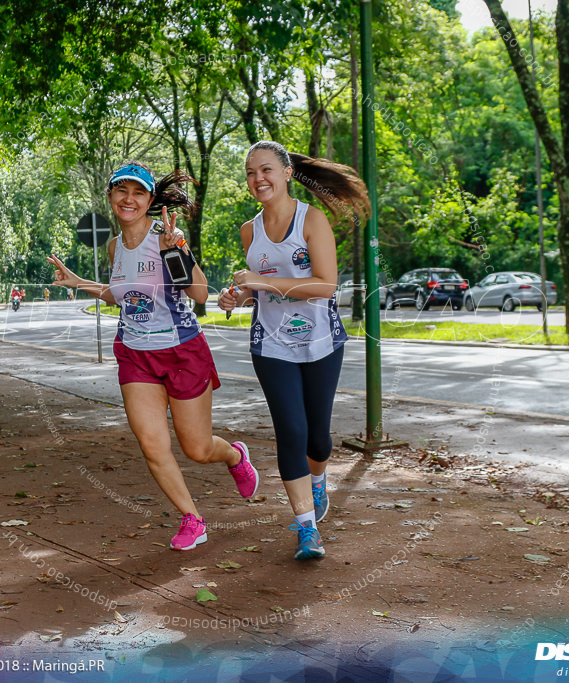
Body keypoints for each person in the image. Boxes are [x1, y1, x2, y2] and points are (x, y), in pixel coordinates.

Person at [47, 161, 258, 551]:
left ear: (148, 200)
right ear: (110, 196)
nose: (129, 199)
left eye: (138, 192)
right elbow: (121, 294)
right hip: (135, 354)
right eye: (121, 191)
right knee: (152, 444)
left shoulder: (165, 235)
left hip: (181, 351)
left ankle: (234, 456)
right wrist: (80, 284)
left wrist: (174, 251)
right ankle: (192, 518)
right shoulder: (114, 245)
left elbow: (199, 295)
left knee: (196, 449)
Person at [218, 141, 370, 561]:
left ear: (286, 173)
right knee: (291, 431)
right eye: (250, 173)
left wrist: (264, 284)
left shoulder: (312, 220)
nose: (258, 179)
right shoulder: (250, 230)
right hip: (272, 344)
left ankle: (318, 479)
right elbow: (256, 291)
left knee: (318, 440)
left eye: (266, 169)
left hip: (321, 340)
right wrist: (238, 298)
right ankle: (307, 528)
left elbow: (325, 285)